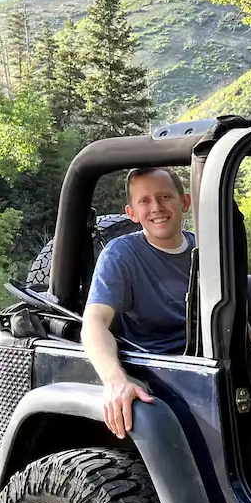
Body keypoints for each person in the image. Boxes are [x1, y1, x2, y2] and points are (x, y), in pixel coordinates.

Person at [82, 167, 193, 439]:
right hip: (161, 377)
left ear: (185, 202)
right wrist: (115, 381)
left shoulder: (207, 250)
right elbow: (95, 323)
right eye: (144, 201)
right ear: (131, 213)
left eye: (165, 197)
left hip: (210, 365)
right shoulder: (121, 254)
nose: (156, 207)